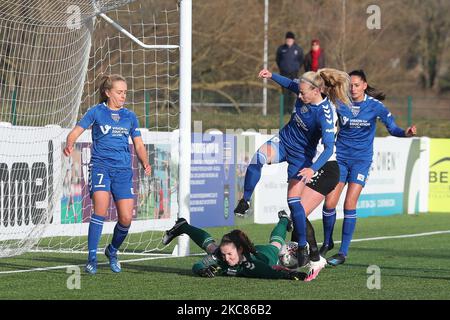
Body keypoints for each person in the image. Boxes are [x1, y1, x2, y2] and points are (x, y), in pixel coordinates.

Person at [234, 67, 350, 271]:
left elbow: (330, 147)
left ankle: (303, 246)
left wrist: (313, 169)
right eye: (299, 91)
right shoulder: (305, 87)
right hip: (283, 141)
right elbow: (289, 83)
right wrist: (271, 76)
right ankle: (245, 200)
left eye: (303, 92)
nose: (299, 94)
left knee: (293, 202)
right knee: (257, 158)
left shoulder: (326, 114)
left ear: (316, 91)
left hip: (302, 157)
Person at [320, 69, 417, 266]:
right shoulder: (340, 101)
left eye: (356, 85)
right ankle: (327, 241)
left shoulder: (375, 106)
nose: (353, 88)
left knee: (349, 204)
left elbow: (393, 128)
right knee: (329, 203)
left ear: (365, 85)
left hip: (361, 161)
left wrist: (406, 133)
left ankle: (343, 253)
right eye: (350, 85)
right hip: (341, 158)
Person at [64, 74, 152, 274]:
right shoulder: (96, 112)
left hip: (123, 171)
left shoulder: (130, 116)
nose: (123, 96)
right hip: (101, 168)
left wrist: (145, 161)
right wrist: (70, 142)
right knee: (100, 212)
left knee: (126, 219)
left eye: (125, 93)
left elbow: (138, 144)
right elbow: (76, 131)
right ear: (107, 93)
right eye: (120, 92)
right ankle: (92, 258)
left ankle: (112, 251)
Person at [162, 210, 308, 280]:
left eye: (229, 254)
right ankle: (183, 226)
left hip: (266, 256)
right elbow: (197, 265)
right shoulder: (220, 255)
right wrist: (203, 270)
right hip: (247, 253)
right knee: (212, 248)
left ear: (240, 250)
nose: (225, 258)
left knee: (276, 245)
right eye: (224, 254)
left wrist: (291, 274)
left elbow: (271, 273)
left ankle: (284, 219)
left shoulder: (253, 265)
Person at [276, 32, 304, 113]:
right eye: (287, 39)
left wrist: (296, 68)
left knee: (292, 92)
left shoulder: (298, 49)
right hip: (284, 74)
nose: (288, 40)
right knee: (284, 92)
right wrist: (282, 68)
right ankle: (284, 111)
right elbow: (278, 60)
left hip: (294, 74)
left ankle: (291, 110)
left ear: (293, 40)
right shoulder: (281, 49)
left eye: (290, 39)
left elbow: (301, 60)